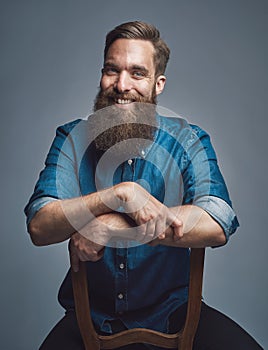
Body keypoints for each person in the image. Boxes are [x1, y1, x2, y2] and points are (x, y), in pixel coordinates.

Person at [25, 21, 263, 350]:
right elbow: (40, 225)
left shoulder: (188, 140)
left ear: (157, 83)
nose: (122, 85)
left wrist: (113, 224)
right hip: (90, 318)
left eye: (137, 73)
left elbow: (217, 222)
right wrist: (120, 195)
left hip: (176, 313)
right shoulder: (71, 139)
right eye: (112, 70)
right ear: (102, 74)